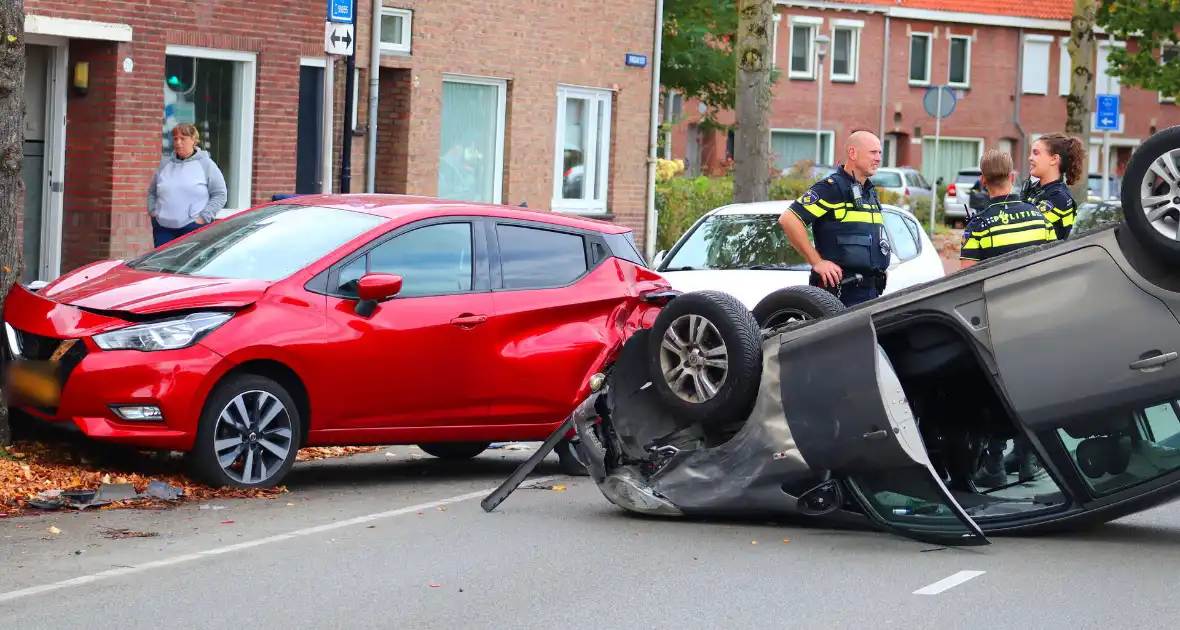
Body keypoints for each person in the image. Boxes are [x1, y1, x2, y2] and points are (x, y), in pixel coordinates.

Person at [960, 149, 1056, 486]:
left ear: (984, 182)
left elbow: (963, 279)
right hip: (1037, 315)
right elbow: (1051, 265)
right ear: (1013, 177)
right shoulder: (1038, 217)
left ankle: (995, 465)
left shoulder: (979, 224)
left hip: (998, 320)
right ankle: (1029, 461)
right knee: (1032, 387)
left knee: (999, 392)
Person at [778, 130, 890, 307]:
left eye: (880, 153)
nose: (878, 158)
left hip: (870, 293)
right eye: (873, 152)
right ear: (852, 153)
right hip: (840, 294)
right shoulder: (832, 188)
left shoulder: (869, 192)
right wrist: (817, 262)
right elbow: (789, 219)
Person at [148, 123, 228, 247]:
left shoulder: (206, 164)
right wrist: (153, 211)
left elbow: (220, 194)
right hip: (163, 228)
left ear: (193, 140)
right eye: (175, 139)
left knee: (189, 265)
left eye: (183, 138)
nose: (178, 142)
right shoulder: (165, 164)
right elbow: (152, 192)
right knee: (161, 265)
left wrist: (203, 218)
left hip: (193, 228)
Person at [1021, 132, 1086, 241]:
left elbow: (1026, 228)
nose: (1030, 158)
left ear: (1054, 159)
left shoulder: (1059, 198)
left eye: (1036, 153)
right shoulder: (1035, 189)